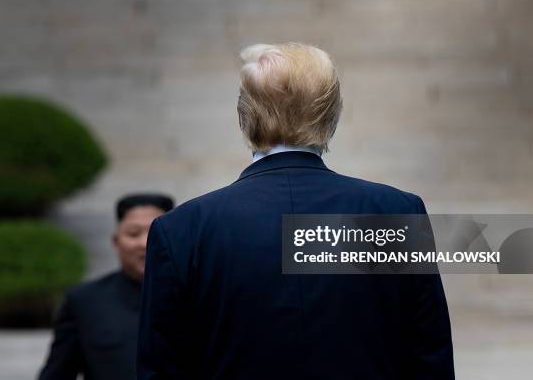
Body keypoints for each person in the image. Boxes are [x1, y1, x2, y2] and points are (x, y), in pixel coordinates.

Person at [137, 43, 454, 379]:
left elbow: (160, 369)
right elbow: (429, 360)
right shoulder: (398, 213)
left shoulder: (181, 230)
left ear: (244, 116)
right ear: (332, 115)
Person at [39, 193, 174, 380]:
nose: (145, 243)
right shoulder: (85, 302)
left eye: (154, 233)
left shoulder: (199, 297)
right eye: (134, 234)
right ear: (116, 242)